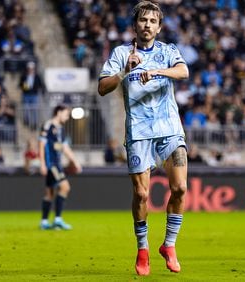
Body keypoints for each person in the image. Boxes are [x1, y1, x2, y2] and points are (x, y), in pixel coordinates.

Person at [98, 1, 189, 276]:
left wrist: (159, 71)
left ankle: (169, 246)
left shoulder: (168, 51)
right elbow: (102, 87)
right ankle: (143, 249)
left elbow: (183, 72)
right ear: (135, 25)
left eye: (152, 21)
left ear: (159, 27)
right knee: (141, 193)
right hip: (139, 131)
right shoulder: (121, 53)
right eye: (143, 20)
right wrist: (126, 70)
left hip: (170, 129)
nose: (147, 25)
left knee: (181, 188)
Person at [38, 105, 82, 231]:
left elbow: (65, 148)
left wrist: (74, 161)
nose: (67, 118)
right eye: (66, 114)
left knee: (49, 193)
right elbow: (41, 145)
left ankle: (44, 222)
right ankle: (57, 219)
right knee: (65, 187)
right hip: (51, 164)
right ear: (59, 112)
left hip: (57, 163)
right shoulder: (48, 126)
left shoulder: (61, 130)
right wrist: (42, 164)